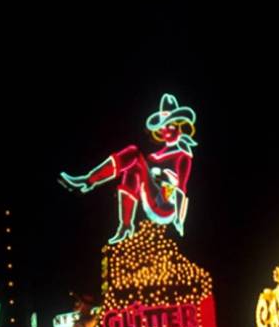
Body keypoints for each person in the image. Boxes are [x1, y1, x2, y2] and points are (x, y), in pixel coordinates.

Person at [60, 95, 197, 244]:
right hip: (153, 199)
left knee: (134, 153)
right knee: (132, 169)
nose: (167, 131)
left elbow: (181, 189)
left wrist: (179, 219)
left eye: (171, 126)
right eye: (164, 127)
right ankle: (125, 225)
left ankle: (88, 180)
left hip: (166, 205)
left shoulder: (183, 156)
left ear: (180, 128)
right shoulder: (154, 156)